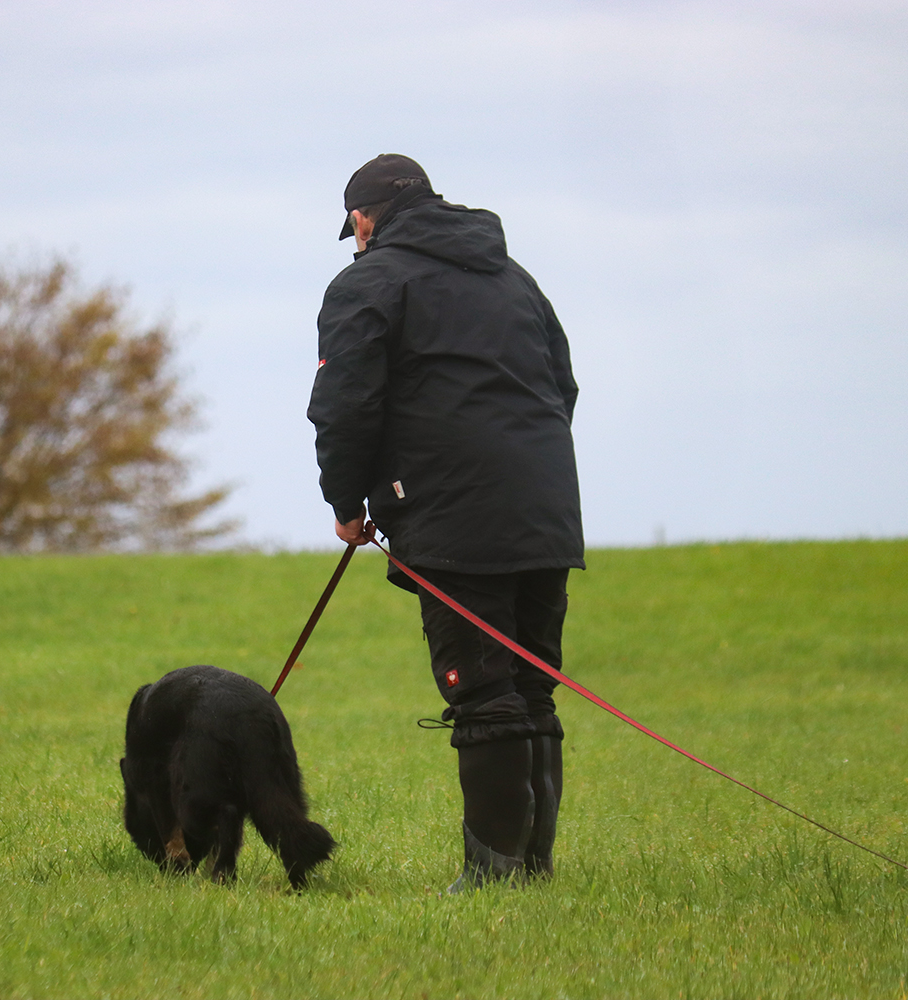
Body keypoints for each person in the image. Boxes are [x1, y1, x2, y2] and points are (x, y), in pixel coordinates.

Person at [307, 154, 584, 891]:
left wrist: (347, 505)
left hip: (455, 514)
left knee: (482, 691)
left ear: (363, 220)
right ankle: (532, 871)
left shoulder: (367, 281)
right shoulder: (514, 278)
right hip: (547, 510)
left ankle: (492, 879)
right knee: (532, 687)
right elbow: (564, 385)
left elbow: (344, 403)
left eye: (354, 227)